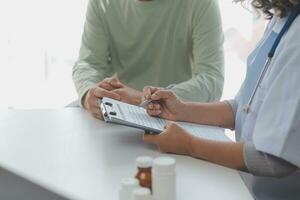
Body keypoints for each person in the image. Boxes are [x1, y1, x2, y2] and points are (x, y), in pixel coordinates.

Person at [141, 0, 300, 199]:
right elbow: (242, 108)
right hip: (245, 185)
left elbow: (273, 159)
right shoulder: (281, 18)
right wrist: (180, 109)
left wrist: (189, 145)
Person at [72, 0, 224, 119]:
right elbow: (89, 63)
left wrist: (144, 100)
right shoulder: (102, 3)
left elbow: (212, 79)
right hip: (119, 112)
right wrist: (88, 93)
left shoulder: (201, 3)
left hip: (177, 116)